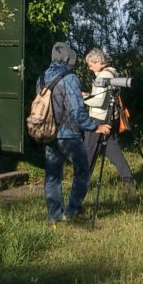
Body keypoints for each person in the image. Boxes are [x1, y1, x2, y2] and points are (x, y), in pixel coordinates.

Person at [39, 42, 110, 223]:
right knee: (83, 171)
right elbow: (76, 112)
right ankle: (73, 211)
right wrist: (94, 126)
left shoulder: (41, 78)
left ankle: (54, 216)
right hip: (68, 133)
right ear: (70, 58)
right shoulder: (70, 78)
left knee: (53, 175)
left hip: (48, 132)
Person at [82, 48, 135, 193]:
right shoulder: (113, 73)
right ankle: (127, 179)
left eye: (91, 64)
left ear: (99, 62)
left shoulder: (102, 77)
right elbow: (105, 97)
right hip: (112, 118)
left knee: (89, 151)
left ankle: (82, 185)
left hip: (99, 119)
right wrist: (90, 95)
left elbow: (99, 102)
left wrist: (83, 98)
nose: (89, 67)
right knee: (113, 150)